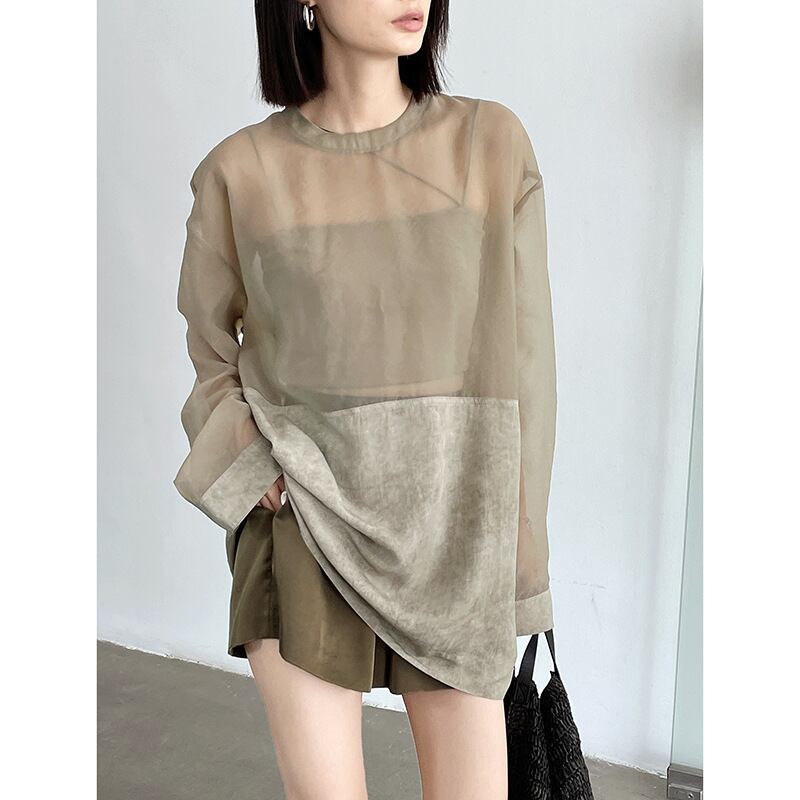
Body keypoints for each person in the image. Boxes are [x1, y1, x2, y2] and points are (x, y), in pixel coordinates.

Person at [173, 1, 557, 797]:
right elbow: (210, 350)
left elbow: (527, 370)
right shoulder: (241, 172)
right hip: (305, 528)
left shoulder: (489, 145)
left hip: (456, 537)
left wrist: (522, 561)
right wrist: (252, 468)